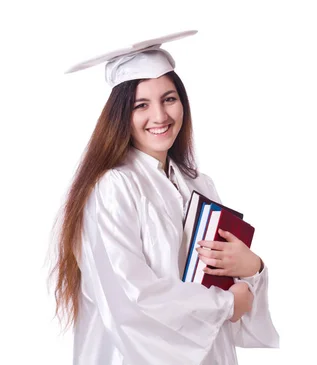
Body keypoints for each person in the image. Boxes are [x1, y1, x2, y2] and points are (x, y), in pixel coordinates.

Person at [50, 30, 279, 365]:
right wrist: (227, 304)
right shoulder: (113, 188)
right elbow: (132, 296)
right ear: (121, 116)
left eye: (169, 99)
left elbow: (225, 285)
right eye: (141, 105)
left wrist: (253, 268)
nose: (159, 117)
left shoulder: (199, 184)